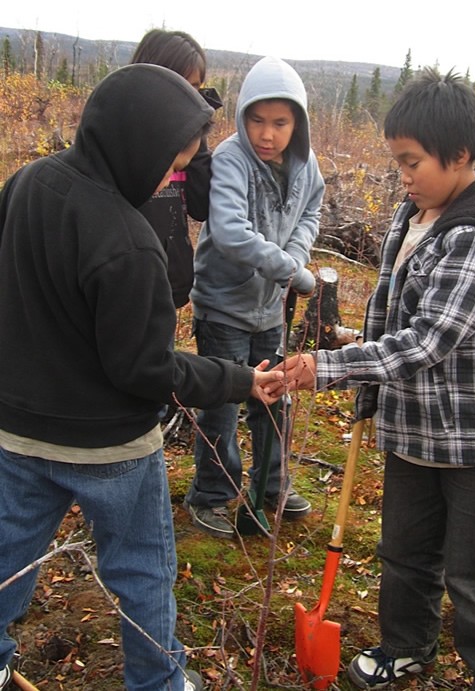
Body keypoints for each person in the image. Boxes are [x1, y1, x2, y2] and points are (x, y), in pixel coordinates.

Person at [0, 64, 282, 691]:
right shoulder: (129, 244)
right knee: (142, 570)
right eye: (167, 162)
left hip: (17, 433)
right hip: (111, 448)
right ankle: (159, 681)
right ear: (132, 142)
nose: (168, 179)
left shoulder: (24, 184)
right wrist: (239, 380)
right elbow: (144, 370)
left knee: (6, 559)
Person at [268, 69, 475, 690]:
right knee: (406, 552)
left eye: (413, 162)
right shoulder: (413, 214)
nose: (404, 176)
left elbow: (426, 342)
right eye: (398, 162)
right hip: (416, 429)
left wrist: (325, 368)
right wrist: (364, 383)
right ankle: (407, 646)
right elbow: (390, 314)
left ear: (462, 155)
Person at [184, 55, 325, 539]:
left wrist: (297, 256)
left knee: (275, 396)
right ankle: (213, 493)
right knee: (223, 400)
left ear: (297, 122)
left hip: (271, 309)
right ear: (243, 116)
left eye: (281, 123)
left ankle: (272, 484)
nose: (268, 134)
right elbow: (228, 231)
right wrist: (291, 269)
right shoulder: (230, 159)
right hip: (223, 305)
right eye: (257, 120)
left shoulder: (307, 166)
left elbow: (311, 212)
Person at [131, 28, 223, 309]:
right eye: (178, 86)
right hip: (131, 290)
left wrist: (196, 134)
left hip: (171, 288)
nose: (187, 100)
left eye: (194, 90)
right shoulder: (126, 142)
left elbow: (201, 206)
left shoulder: (187, 148)